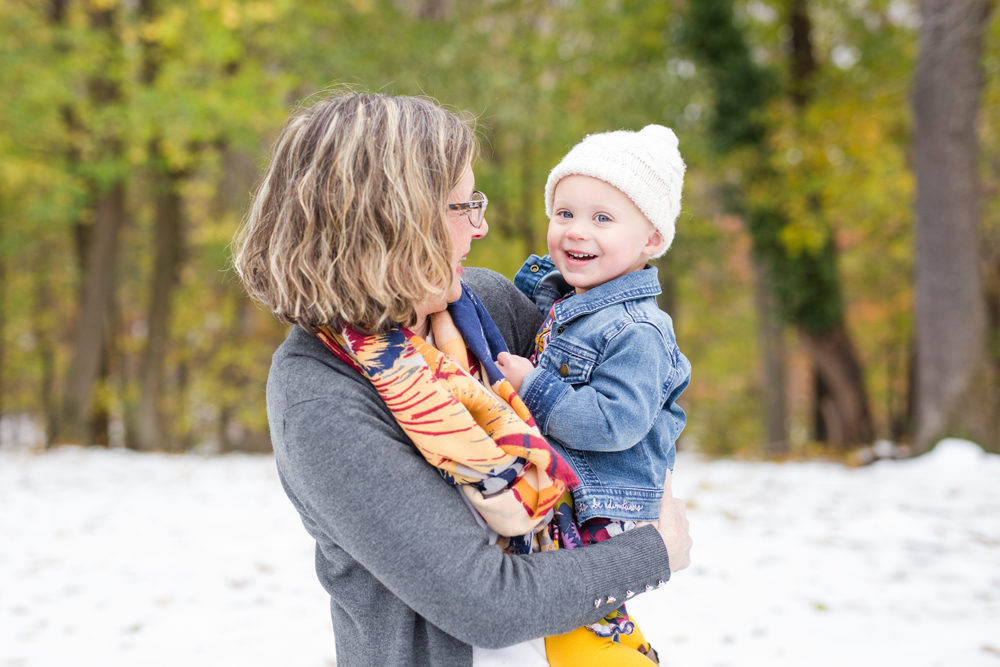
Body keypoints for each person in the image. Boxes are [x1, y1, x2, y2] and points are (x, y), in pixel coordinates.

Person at [231, 90, 691, 667]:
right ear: (391, 220)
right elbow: (487, 603)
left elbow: (624, 411)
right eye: (461, 207)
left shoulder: (485, 307)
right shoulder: (319, 394)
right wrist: (656, 553)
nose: (481, 227)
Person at [495, 125, 692, 665]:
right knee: (588, 618)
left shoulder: (638, 331)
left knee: (579, 625)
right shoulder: (566, 300)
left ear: (651, 240)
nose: (577, 231)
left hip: (603, 504)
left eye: (602, 218)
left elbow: (615, 424)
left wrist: (533, 388)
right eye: (565, 213)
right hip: (570, 497)